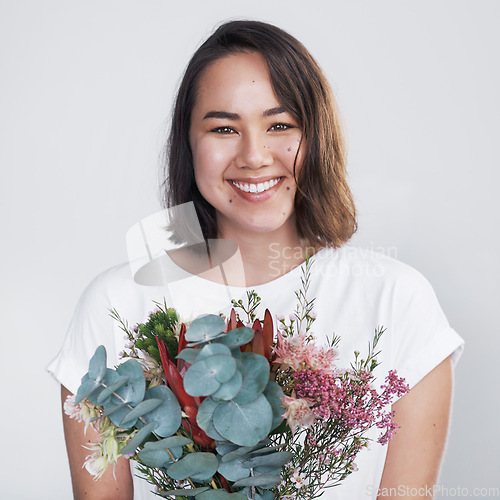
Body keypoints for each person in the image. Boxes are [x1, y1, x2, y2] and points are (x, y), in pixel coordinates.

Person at [48, 20, 464, 499]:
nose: (254, 155)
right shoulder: (115, 303)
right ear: (188, 142)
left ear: (317, 136)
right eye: (224, 127)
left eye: (280, 125)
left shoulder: (395, 299)